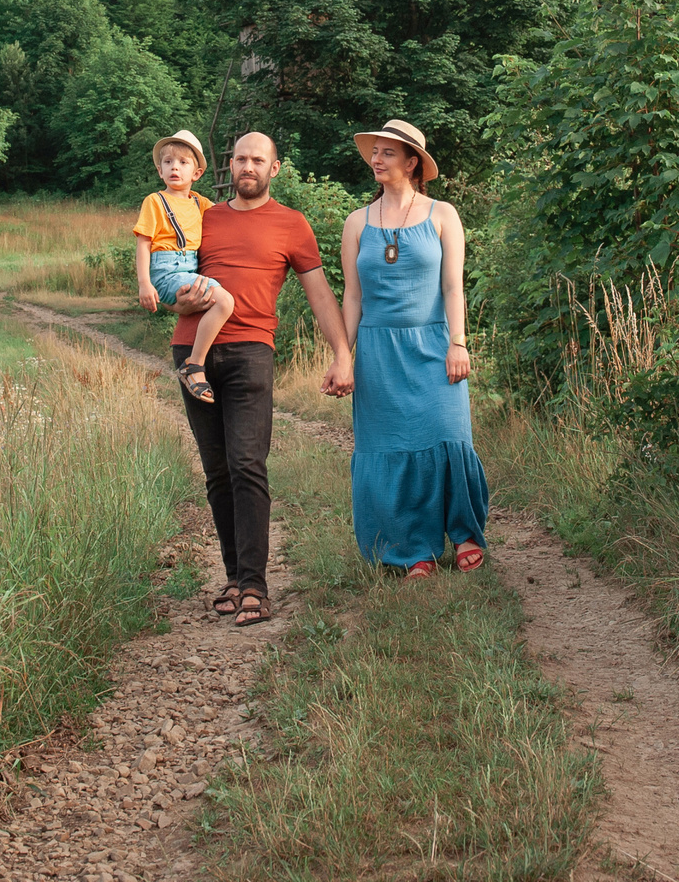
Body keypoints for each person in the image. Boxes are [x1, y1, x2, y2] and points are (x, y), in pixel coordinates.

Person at [168, 131, 352, 627]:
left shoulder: (292, 224)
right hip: (192, 351)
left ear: (275, 170)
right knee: (217, 472)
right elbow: (171, 273)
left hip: (252, 351)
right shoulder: (202, 217)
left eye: (258, 160)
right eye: (241, 158)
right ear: (230, 165)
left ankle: (255, 584)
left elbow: (318, 294)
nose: (247, 166)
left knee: (247, 463)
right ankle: (233, 576)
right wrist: (176, 299)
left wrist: (341, 353)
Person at [340, 118, 488, 577]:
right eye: (375, 151)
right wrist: (343, 356)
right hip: (379, 352)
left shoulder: (442, 214)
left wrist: (458, 343)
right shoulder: (356, 222)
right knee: (389, 445)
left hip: (434, 342)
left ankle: (464, 533)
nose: (377, 159)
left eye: (387, 152)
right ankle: (411, 548)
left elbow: (452, 287)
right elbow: (352, 296)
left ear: (412, 162)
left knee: (449, 433)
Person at [131, 129, 235, 404]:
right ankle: (194, 365)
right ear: (160, 171)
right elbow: (143, 243)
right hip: (166, 271)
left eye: (182, 163)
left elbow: (227, 216)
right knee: (224, 301)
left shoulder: (201, 203)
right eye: (168, 163)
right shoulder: (155, 201)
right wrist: (144, 283)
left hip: (190, 269)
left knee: (220, 301)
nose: (174, 167)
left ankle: (208, 358)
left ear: (197, 174)